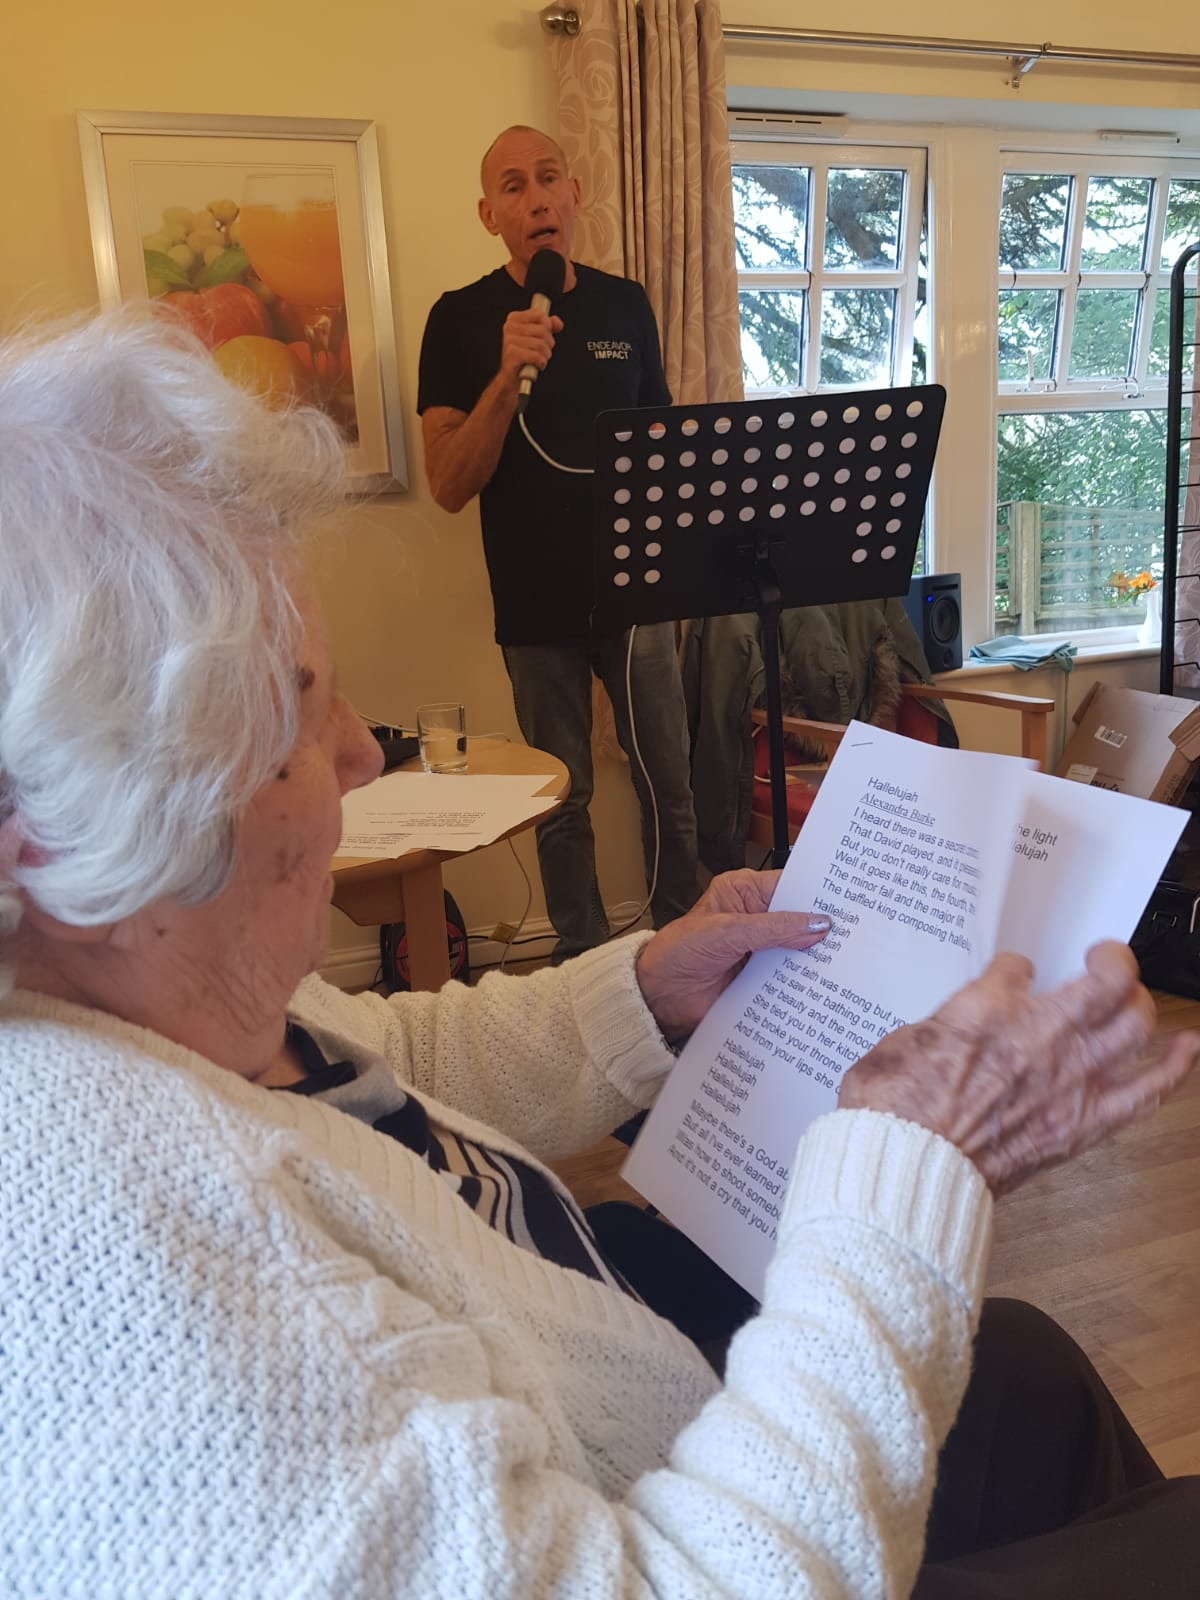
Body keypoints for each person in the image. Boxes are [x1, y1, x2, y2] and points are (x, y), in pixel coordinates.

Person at [1, 310, 1198, 1599]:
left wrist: (642, 993)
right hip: (686, 1540)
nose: (356, 751)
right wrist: (904, 1172)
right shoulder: (131, 1277)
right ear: (67, 839)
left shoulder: (138, 1000)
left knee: (1027, 1373)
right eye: (297, 713)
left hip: (624, 1377)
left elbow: (373, 1059)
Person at [418, 125, 701, 962]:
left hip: (638, 593)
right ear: (489, 215)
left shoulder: (626, 305)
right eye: (513, 186)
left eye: (548, 179)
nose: (536, 198)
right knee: (560, 800)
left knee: (670, 784)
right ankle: (583, 966)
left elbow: (661, 444)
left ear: (575, 196)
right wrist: (507, 379)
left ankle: (684, 945)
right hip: (535, 601)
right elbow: (448, 484)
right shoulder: (458, 319)